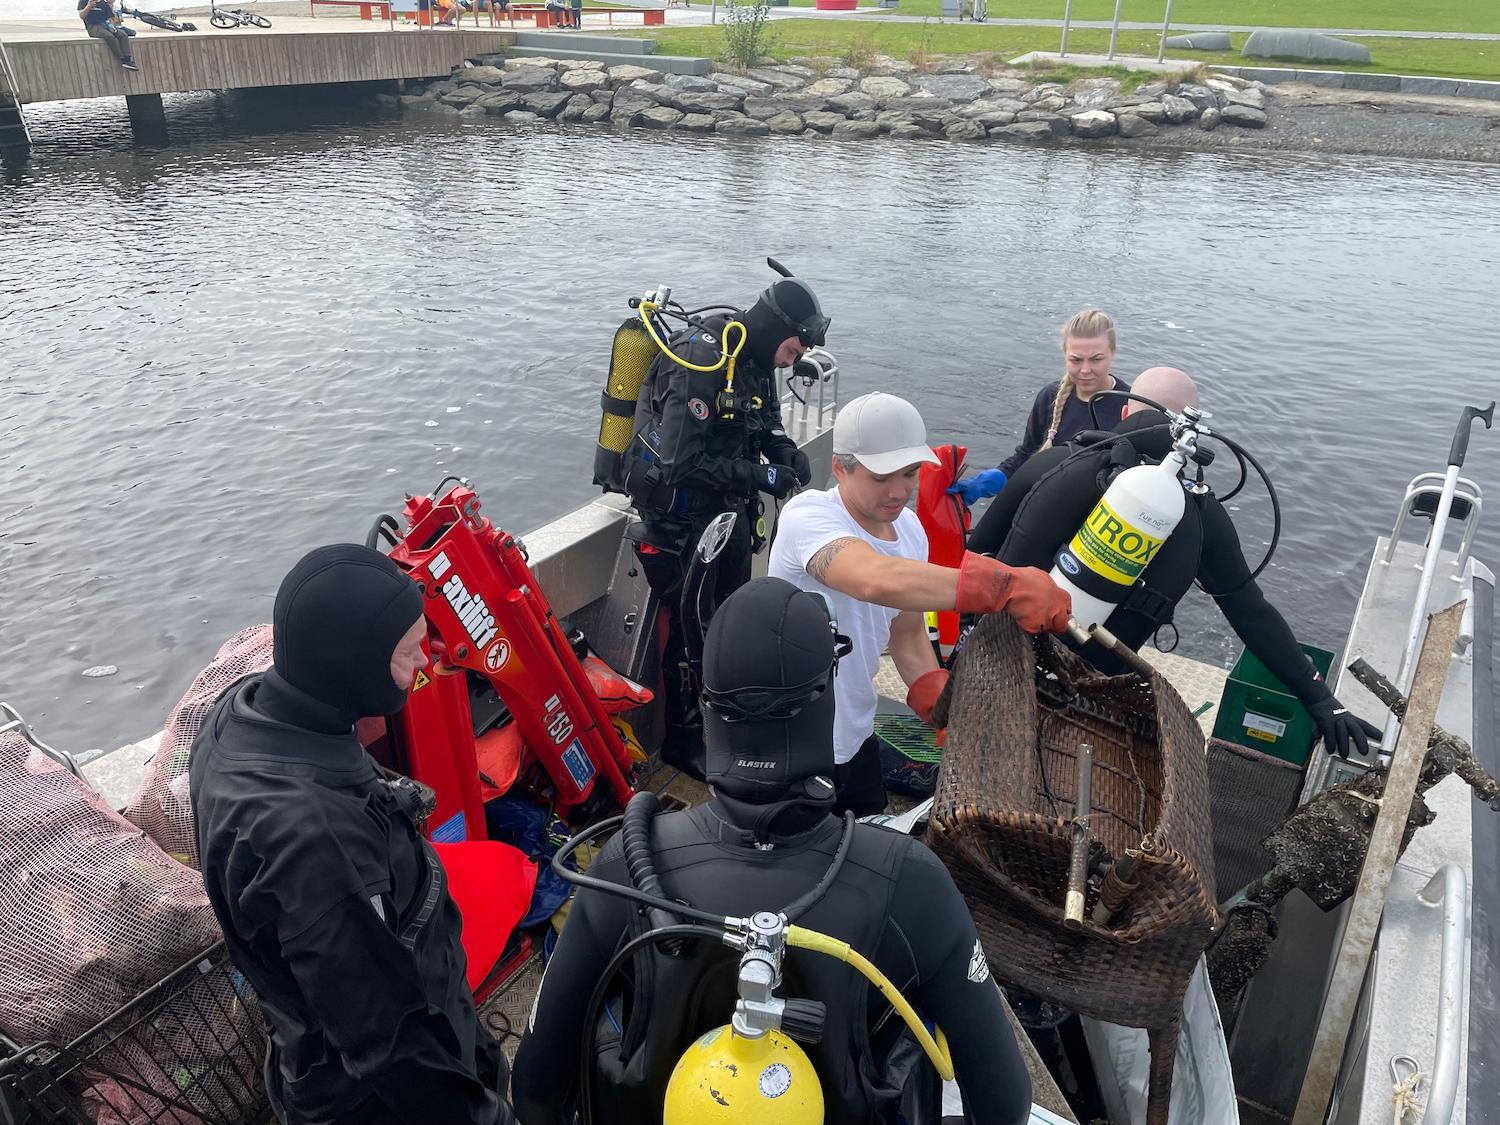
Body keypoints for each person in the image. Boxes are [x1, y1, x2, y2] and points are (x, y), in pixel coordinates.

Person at [511, 578, 1034, 1125]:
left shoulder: (627, 863)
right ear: (824, 696)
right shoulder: (911, 881)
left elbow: (536, 1088)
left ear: (709, 705)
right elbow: (1003, 1099)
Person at [189, 544, 517, 1125]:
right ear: (355, 664)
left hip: (314, 1037)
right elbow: (387, 1042)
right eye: (409, 651)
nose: (424, 662)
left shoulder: (234, 719)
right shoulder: (315, 842)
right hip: (371, 1102)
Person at [969, 366, 1380, 759]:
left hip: (992, 659)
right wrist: (1322, 701)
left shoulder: (1057, 461)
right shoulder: (1200, 515)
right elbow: (1251, 612)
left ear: (1125, 410)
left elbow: (977, 551)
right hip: (1082, 697)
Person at [768, 392, 1071, 816]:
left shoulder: (909, 529)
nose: (898, 491)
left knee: (870, 832)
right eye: (881, 477)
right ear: (840, 467)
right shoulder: (809, 515)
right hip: (791, 740)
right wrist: (1003, 587)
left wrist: (932, 689)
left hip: (854, 730)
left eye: (910, 474)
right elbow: (872, 579)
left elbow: (906, 628)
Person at [623, 273, 826, 776]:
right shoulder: (702, 360)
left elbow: (765, 423)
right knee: (694, 631)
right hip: (680, 519)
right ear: (776, 327)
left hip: (727, 515)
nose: (795, 358)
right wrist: (761, 473)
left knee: (729, 622)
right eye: (795, 345)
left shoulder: (754, 362)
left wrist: (785, 454)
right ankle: (683, 736)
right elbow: (680, 463)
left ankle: (729, 721)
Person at [996, 308, 1130, 479]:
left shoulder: (1130, 404)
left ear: (1112, 353)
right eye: (1076, 360)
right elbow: (1026, 455)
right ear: (1065, 354)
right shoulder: (1049, 397)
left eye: (1096, 359)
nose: (1085, 369)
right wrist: (996, 477)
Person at [78, 0, 139, 71]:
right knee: (109, 36)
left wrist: (113, 27)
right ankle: (122, 59)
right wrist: (88, 6)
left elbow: (109, 17)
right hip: (93, 26)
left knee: (122, 34)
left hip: (106, 25)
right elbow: (81, 16)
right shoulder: (84, 1)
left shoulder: (103, 3)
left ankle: (128, 59)